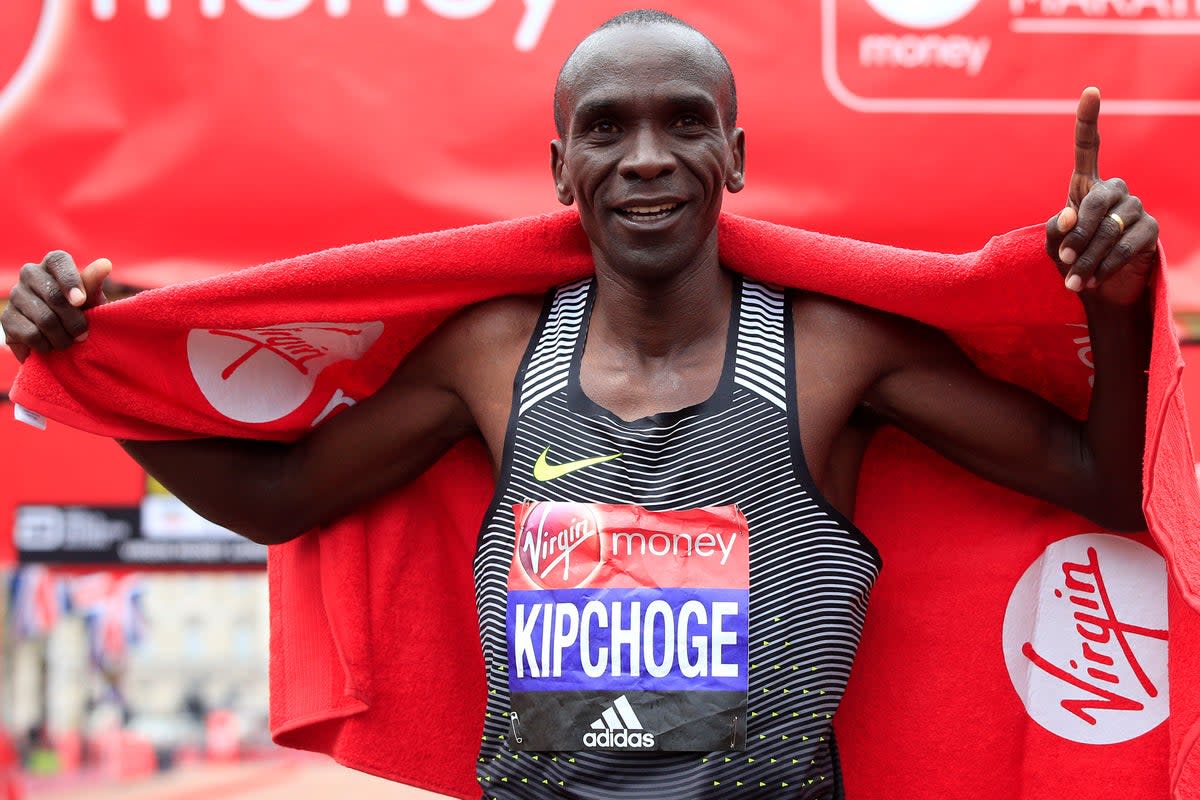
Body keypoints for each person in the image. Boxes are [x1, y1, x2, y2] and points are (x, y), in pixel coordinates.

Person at [1, 9, 1159, 799]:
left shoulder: (832, 353)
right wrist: (88, 368)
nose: (646, 157)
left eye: (683, 122)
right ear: (561, 170)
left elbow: (1103, 484)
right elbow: (278, 498)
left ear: (736, 154)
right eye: (607, 128)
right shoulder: (498, 355)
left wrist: (1112, 304)